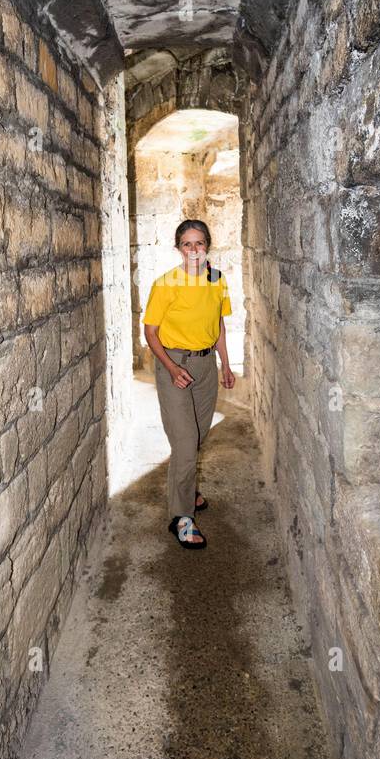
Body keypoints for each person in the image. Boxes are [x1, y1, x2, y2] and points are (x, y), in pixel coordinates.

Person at [142, 219, 236, 548]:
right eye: (187, 244)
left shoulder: (216, 280)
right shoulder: (166, 284)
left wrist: (226, 363)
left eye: (199, 243)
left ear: (207, 246)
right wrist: (168, 367)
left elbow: (219, 324)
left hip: (206, 365)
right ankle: (181, 517)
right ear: (178, 248)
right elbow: (150, 332)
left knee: (198, 435)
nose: (194, 250)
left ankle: (187, 487)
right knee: (185, 441)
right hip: (174, 365)